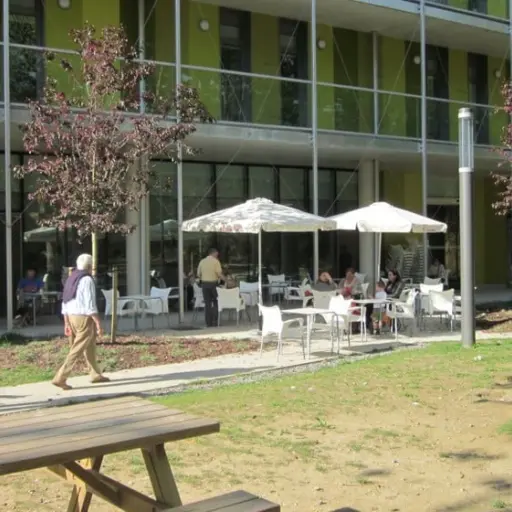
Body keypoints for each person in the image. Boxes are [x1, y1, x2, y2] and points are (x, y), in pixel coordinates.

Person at [52, 254, 109, 390]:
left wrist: (66, 322)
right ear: (90, 266)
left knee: (90, 345)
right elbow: (90, 304)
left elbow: (65, 301)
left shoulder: (71, 278)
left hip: (71, 316)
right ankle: (61, 377)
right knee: (77, 348)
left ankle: (95, 374)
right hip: (84, 317)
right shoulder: (87, 280)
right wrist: (98, 322)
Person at [197, 248, 225, 327]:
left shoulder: (202, 261)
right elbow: (219, 274)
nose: (217, 256)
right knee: (216, 302)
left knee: (207, 303)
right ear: (213, 253)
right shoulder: (216, 262)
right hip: (213, 284)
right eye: (217, 254)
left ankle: (208, 323)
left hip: (204, 284)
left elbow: (198, 274)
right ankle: (215, 321)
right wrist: (226, 280)